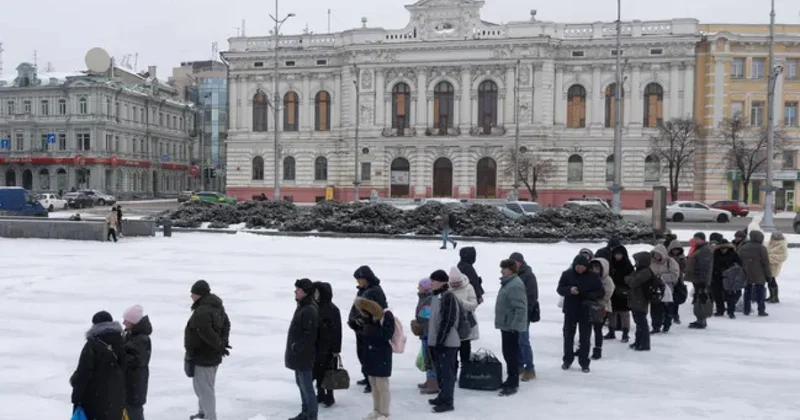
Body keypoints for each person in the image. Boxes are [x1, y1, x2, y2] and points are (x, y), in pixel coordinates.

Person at [185, 280, 231, 420]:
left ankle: (210, 417)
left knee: (204, 389)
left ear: (199, 294)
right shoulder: (216, 306)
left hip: (203, 356)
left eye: (193, 293)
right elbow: (226, 324)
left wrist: (219, 345)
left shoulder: (202, 310)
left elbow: (205, 332)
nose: (191, 296)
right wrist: (222, 344)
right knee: (204, 387)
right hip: (211, 355)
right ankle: (203, 412)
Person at [70, 311, 126, 420]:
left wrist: (76, 398)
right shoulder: (120, 342)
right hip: (115, 398)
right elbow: (123, 368)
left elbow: (84, 373)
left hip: (94, 399)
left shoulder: (93, 345)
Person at [558, 255, 604, 371]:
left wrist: (588, 295)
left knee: (585, 337)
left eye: (582, 267)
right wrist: (569, 290)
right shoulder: (567, 274)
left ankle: (584, 362)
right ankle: (567, 360)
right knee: (568, 336)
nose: (580, 269)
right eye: (578, 266)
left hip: (586, 310)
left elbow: (601, 292)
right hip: (570, 310)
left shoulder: (593, 276)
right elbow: (560, 289)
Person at [352, 296, 395, 420]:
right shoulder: (368, 318)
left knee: (382, 384)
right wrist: (359, 327)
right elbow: (366, 336)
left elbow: (386, 335)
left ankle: (385, 413)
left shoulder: (387, 315)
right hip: (370, 352)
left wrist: (369, 327)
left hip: (382, 353)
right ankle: (376, 410)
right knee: (373, 384)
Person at [426, 269, 461, 413]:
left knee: (447, 373)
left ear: (442, 282)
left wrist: (441, 340)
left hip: (448, 343)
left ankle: (448, 401)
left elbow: (448, 320)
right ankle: (442, 396)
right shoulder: (436, 296)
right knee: (440, 372)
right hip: (436, 342)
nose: (431, 283)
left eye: (433, 280)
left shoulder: (448, 297)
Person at [349, 265, 387, 394]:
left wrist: (361, 320)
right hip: (362, 329)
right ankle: (367, 376)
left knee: (369, 355)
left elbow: (374, 311)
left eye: (359, 279)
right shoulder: (363, 290)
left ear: (366, 278)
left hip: (370, 329)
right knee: (362, 354)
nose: (358, 282)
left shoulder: (374, 291)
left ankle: (371, 380)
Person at [286, 279, 320, 420]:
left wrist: (297, 346)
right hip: (299, 355)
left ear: (305, 292)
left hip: (304, 356)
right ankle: (305, 412)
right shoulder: (303, 306)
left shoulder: (308, 309)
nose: (295, 291)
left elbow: (310, 334)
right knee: (301, 385)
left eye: (298, 289)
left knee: (307, 387)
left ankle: (311, 415)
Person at [495, 259, 528, 396]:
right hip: (507, 325)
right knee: (508, 354)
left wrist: (514, 326)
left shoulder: (514, 285)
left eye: (504, 268)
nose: (502, 271)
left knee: (511, 355)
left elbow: (520, 308)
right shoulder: (509, 283)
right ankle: (510, 379)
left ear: (512, 270)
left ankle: (513, 382)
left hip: (511, 327)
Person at [508, 252, 538, 381]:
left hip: (523, 313)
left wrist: (524, 311)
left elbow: (532, 296)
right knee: (515, 341)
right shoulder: (511, 274)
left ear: (520, 262)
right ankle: (519, 364)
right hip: (512, 313)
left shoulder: (528, 276)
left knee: (523, 341)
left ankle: (530, 368)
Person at [312, 281, 342, 408]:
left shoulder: (333, 309)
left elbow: (337, 331)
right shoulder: (315, 307)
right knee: (318, 371)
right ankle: (320, 393)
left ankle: (329, 395)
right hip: (317, 347)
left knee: (329, 372)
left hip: (328, 348)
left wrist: (336, 349)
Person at [625, 252, 661, 351]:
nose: (635, 262)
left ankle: (644, 344)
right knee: (638, 322)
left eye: (636, 260)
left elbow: (633, 282)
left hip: (641, 299)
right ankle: (638, 341)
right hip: (636, 299)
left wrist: (628, 279)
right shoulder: (639, 270)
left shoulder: (645, 272)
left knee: (641, 322)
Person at [122, 305, 152, 420]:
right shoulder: (130, 334)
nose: (124, 322)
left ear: (133, 322)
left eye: (126, 320)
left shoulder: (141, 339)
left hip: (134, 385)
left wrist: (119, 355)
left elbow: (137, 361)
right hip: (131, 384)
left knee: (134, 412)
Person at [448, 267, 479, 373]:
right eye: (454, 283)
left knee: (465, 349)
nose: (456, 284)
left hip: (466, 323)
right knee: (452, 351)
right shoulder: (446, 289)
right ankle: (452, 373)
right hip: (452, 324)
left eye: (458, 282)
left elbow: (474, 304)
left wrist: (461, 303)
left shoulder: (468, 287)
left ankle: (466, 372)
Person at [604, 240, 634, 343]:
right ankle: (611, 331)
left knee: (624, 313)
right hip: (612, 291)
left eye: (619, 254)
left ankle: (625, 333)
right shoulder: (611, 264)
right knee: (611, 312)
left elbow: (631, 278)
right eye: (616, 254)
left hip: (623, 292)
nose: (617, 256)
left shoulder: (627, 265)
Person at [411, 279, 437, 394]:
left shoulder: (429, 299)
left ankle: (433, 384)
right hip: (424, 334)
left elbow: (428, 319)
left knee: (430, 358)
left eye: (420, 285)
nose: (418, 287)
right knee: (427, 357)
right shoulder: (424, 297)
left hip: (428, 334)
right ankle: (429, 380)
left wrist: (420, 325)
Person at [738, 230, 772, 317]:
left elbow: (739, 260)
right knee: (760, 292)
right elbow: (766, 263)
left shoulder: (744, 247)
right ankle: (761, 310)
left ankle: (746, 309)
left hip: (746, 273)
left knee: (747, 291)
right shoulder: (761, 248)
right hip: (759, 274)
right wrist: (768, 275)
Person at [649, 245, 680, 334]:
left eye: (658, 254)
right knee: (655, 308)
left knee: (666, 308)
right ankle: (656, 326)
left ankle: (666, 324)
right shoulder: (651, 262)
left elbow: (675, 275)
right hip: (654, 289)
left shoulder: (671, 262)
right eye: (655, 254)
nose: (656, 256)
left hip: (667, 289)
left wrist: (661, 278)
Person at [686, 233, 713, 329]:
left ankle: (701, 320)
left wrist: (703, 280)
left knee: (701, 299)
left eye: (697, 239)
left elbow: (705, 267)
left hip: (701, 279)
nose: (695, 240)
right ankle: (700, 319)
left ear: (702, 239)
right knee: (699, 299)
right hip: (697, 278)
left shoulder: (704, 250)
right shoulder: (699, 248)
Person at [588, 257, 613, 360]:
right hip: (589, 306)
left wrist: (594, 298)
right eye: (593, 268)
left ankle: (597, 349)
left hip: (602, 307)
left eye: (597, 268)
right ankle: (583, 347)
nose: (595, 270)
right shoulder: (589, 278)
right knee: (586, 328)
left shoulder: (607, 280)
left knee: (598, 329)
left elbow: (606, 295)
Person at [712, 239, 743, 318]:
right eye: (721, 248)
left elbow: (739, 265)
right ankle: (720, 310)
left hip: (729, 277)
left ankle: (731, 311)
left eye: (725, 248)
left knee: (730, 295)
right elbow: (712, 265)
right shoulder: (715, 254)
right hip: (717, 277)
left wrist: (731, 270)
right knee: (717, 295)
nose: (723, 250)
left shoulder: (733, 254)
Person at [667, 241, 687, 325]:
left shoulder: (682, 258)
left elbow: (685, 268)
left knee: (676, 298)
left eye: (677, 250)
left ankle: (675, 314)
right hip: (670, 279)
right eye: (674, 250)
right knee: (669, 297)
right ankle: (670, 314)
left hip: (678, 280)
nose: (676, 252)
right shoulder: (667, 257)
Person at [767, 232, 788, 304]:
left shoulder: (781, 245)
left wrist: (770, 258)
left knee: (772, 280)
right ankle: (771, 296)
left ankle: (775, 297)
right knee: (769, 280)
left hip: (774, 266)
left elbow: (783, 256)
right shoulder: (771, 243)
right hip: (768, 265)